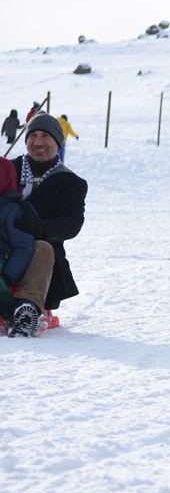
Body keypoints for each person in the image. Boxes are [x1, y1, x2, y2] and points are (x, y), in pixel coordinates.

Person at [6, 112, 86, 335]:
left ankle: (27, 309)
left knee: (42, 247)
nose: (38, 142)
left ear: (58, 142)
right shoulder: (8, 171)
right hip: (4, 244)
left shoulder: (71, 183)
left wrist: (39, 228)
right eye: (33, 135)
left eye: (45, 136)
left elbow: (71, 224)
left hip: (41, 257)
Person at [0, 157, 37, 330]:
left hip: (4, 258)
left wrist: (9, 275)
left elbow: (23, 248)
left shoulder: (13, 210)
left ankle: (13, 314)